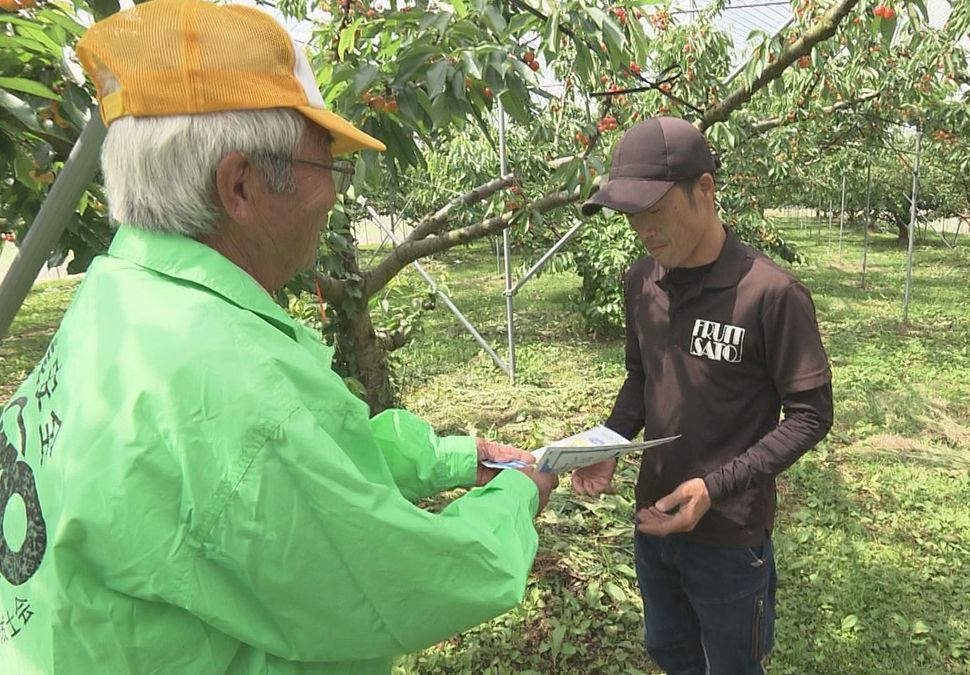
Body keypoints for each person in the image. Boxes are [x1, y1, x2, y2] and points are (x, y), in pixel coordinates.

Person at [0, 0, 557, 672]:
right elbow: (404, 582)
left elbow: (289, 465)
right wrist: (518, 494)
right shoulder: (231, 382)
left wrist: (452, 459)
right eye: (328, 167)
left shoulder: (120, 296)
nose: (332, 197)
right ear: (239, 185)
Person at [574, 117, 834, 674]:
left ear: (705, 189)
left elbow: (811, 415)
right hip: (653, 519)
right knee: (671, 652)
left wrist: (716, 488)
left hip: (728, 537)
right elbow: (642, 378)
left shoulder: (770, 293)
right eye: (632, 215)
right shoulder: (641, 281)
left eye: (655, 208)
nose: (644, 228)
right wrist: (609, 441)